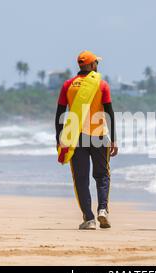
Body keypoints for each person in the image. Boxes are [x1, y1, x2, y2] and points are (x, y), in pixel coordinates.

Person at [55, 51, 118, 230]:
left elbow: (60, 113)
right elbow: (109, 112)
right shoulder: (102, 84)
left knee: (81, 179)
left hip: (76, 138)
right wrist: (113, 139)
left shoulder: (68, 85)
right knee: (102, 175)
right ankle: (103, 210)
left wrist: (59, 138)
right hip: (99, 136)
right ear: (91, 66)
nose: (97, 65)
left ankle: (89, 219)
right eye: (96, 63)